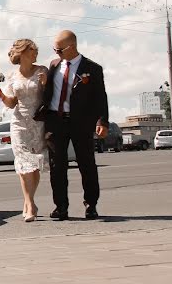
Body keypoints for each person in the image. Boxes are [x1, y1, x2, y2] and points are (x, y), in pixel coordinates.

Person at [43, 30, 109, 220]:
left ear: (71, 47)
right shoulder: (54, 66)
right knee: (57, 166)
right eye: (54, 50)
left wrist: (102, 121)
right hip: (56, 121)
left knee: (86, 164)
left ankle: (91, 204)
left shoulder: (93, 68)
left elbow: (100, 97)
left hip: (81, 121)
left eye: (59, 50)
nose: (56, 53)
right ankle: (60, 207)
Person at [0, 38, 49, 222]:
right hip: (18, 123)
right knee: (23, 164)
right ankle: (30, 203)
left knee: (35, 164)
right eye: (32, 51)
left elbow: (51, 95)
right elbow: (10, 102)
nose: (36, 54)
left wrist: (46, 83)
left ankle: (28, 202)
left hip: (37, 121)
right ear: (23, 53)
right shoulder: (12, 76)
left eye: (36, 51)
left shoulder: (42, 71)